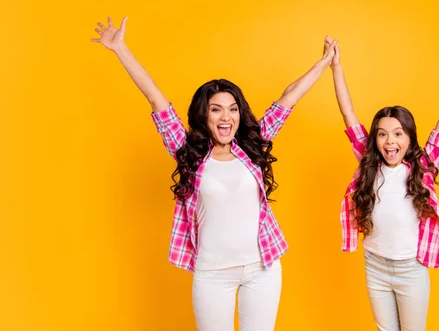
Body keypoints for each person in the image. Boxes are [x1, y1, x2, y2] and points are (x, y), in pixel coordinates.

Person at [91, 17, 338, 331]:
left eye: (233, 108)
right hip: (212, 272)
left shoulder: (252, 146)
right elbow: (155, 98)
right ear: (203, 115)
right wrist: (120, 49)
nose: (226, 116)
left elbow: (288, 97)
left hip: (261, 268)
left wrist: (324, 62)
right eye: (216, 109)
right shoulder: (189, 152)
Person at [328, 32, 439, 331]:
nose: (389, 141)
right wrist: (335, 67)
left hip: (410, 269)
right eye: (382, 133)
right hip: (375, 264)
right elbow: (347, 113)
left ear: (409, 138)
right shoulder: (369, 164)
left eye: (398, 133)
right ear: (375, 139)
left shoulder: (423, 165)